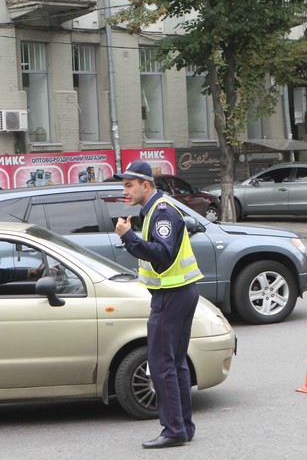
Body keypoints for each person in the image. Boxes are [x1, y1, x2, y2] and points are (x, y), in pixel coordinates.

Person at [113, 160, 203, 449]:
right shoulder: (154, 210)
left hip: (172, 295)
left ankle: (174, 429)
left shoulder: (162, 212)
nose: (125, 190)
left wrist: (127, 237)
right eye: (124, 185)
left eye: (129, 185)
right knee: (174, 364)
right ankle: (183, 427)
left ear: (146, 185)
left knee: (162, 364)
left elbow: (162, 256)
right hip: (178, 293)